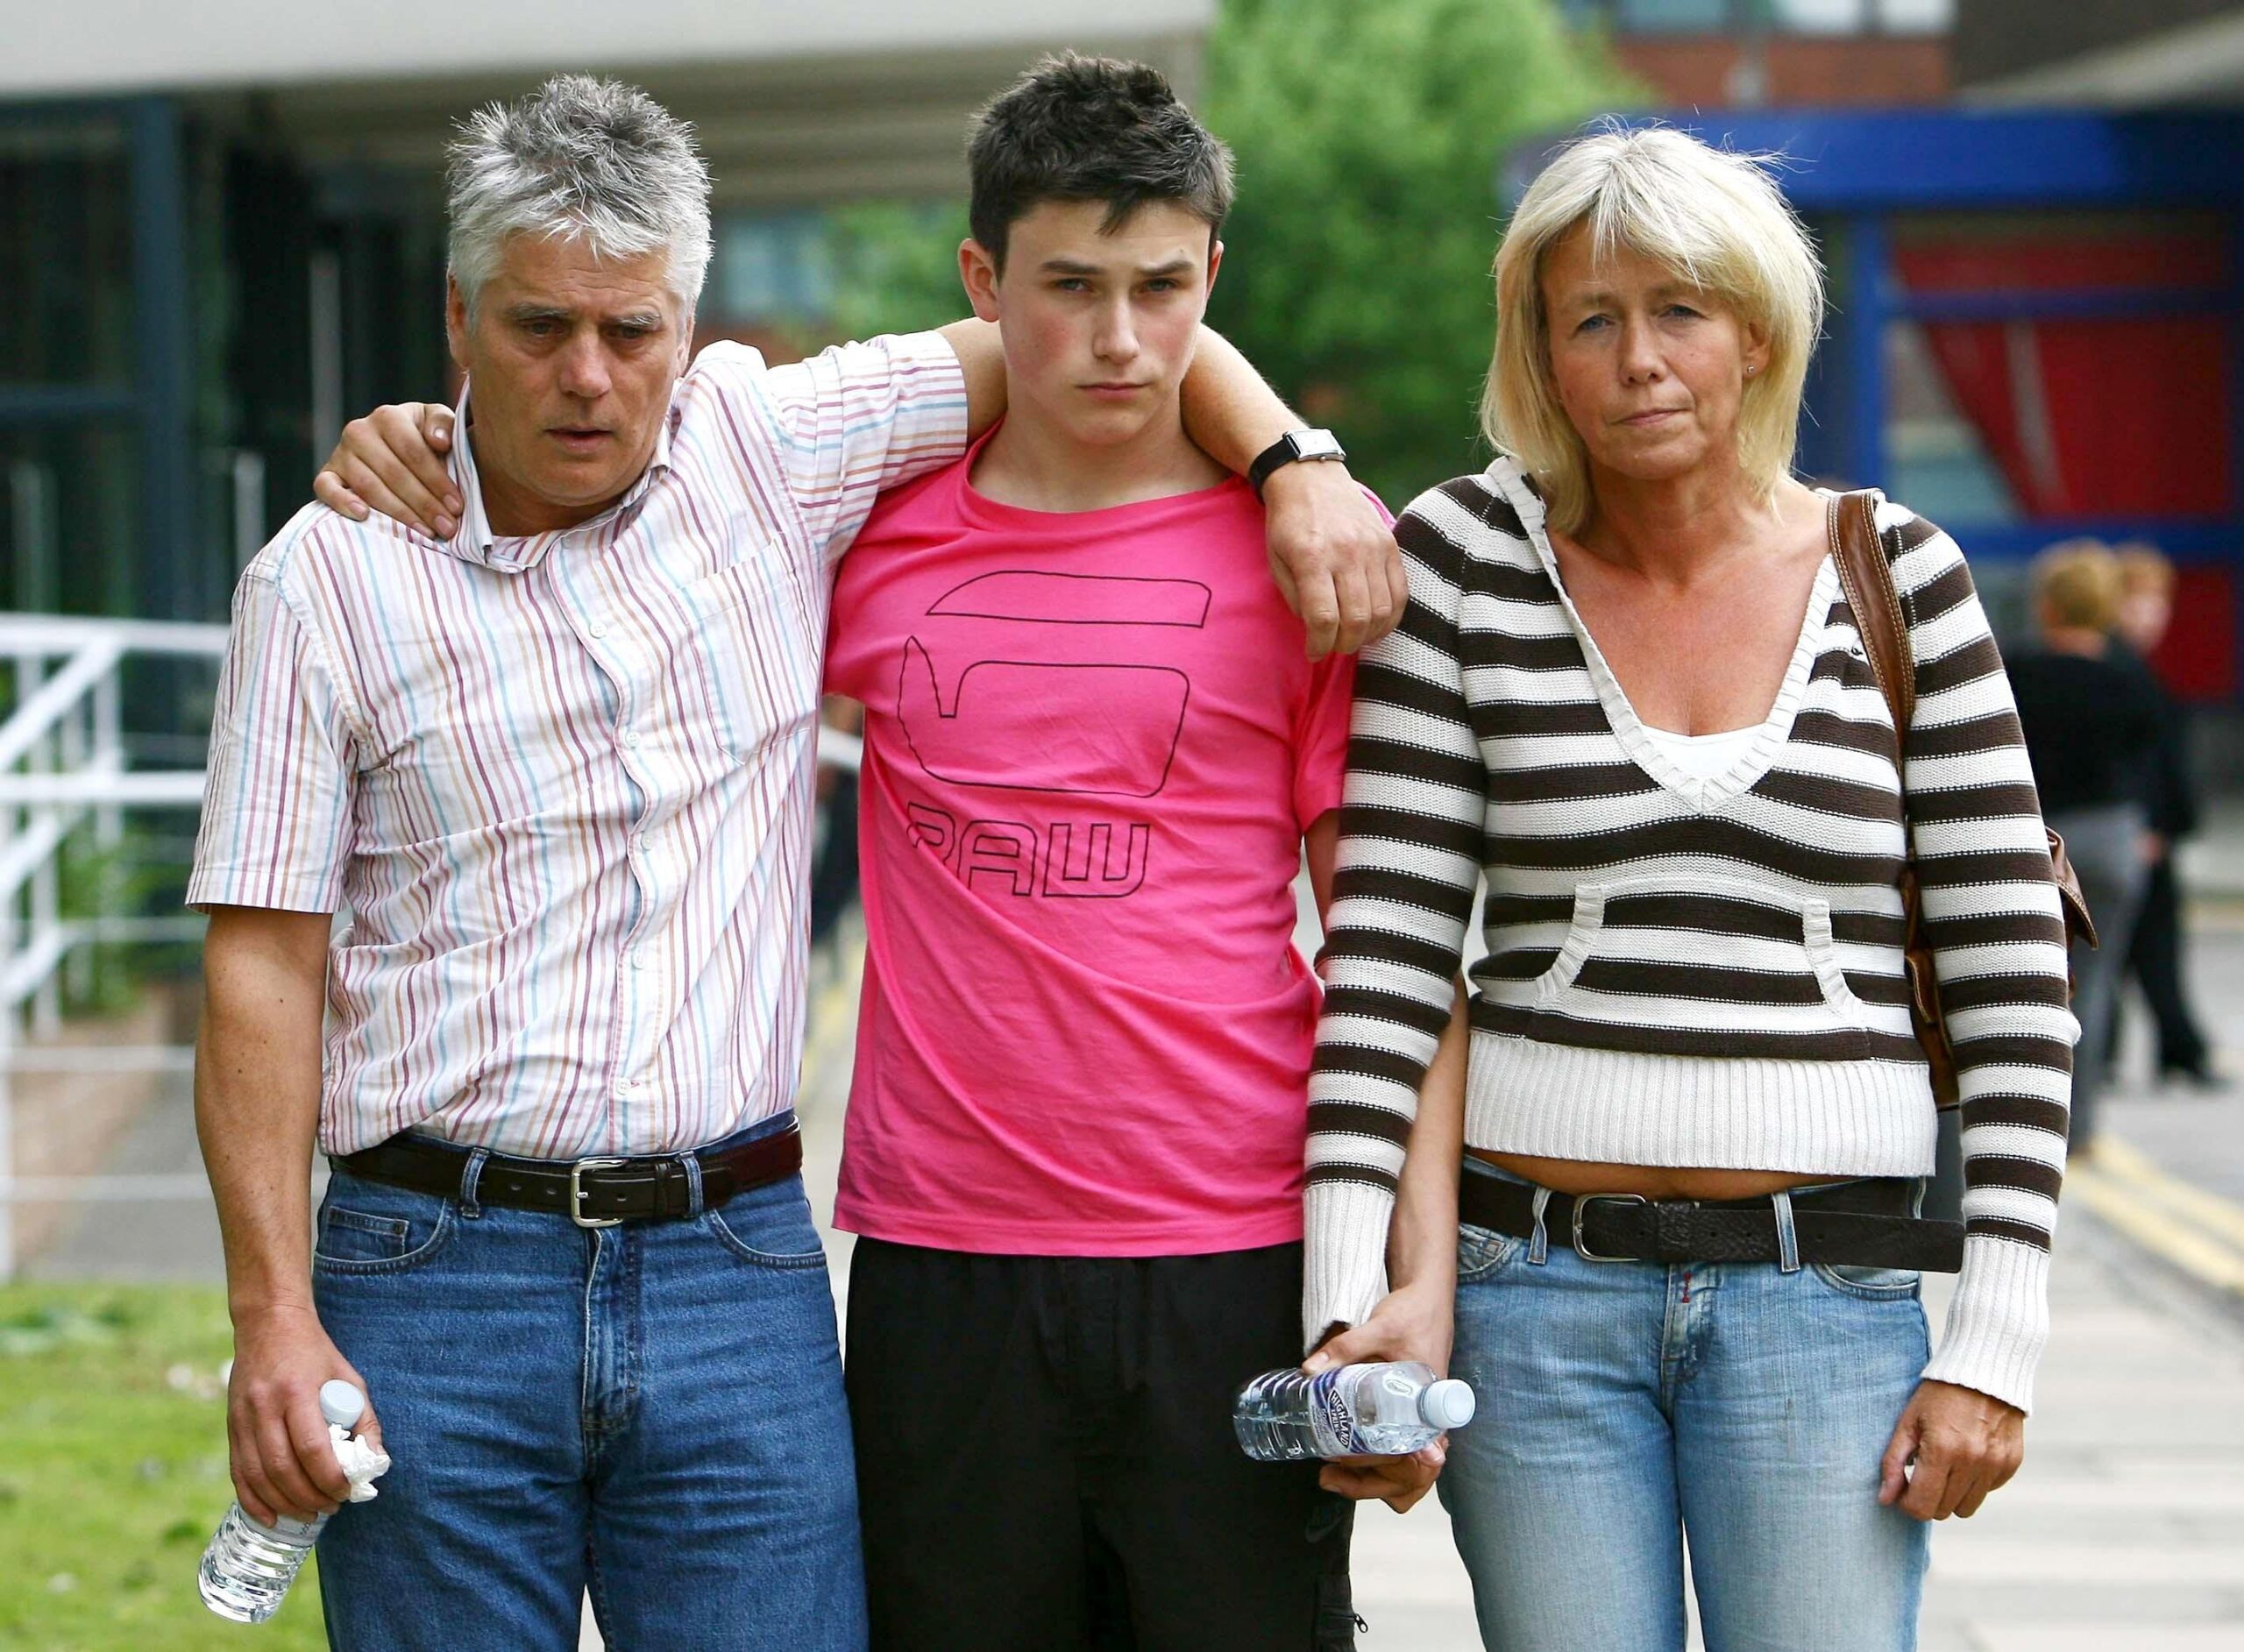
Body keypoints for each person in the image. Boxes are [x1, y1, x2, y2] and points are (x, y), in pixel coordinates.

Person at [202, 74, 1397, 1652]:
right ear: (454, 319)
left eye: (631, 333)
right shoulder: (326, 581)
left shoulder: (769, 452)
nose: (585, 378)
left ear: (690, 334)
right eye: (535, 326)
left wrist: (1292, 458)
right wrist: (270, 1321)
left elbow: (1108, 308)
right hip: (433, 1272)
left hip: (734, 1263)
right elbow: (260, 957)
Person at [1303, 126, 2076, 1651]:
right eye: (1590, 318)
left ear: (1758, 332)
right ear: (1539, 351)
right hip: (1532, 1301)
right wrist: (1351, 1304)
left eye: (1680, 311)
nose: (1638, 360)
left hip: (1828, 1304)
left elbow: (2014, 992)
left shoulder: (1900, 574)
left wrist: (1996, 1345)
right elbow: (1384, 963)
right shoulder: (1461, 561)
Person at [2008, 541, 2164, 1152]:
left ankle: (2027, 1123)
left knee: (2027, 985)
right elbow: (2154, 761)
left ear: (2048, 605)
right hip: (2113, 836)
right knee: (2095, 988)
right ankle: (2082, 1128)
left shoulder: (2018, 671)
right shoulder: (2129, 678)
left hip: (2039, 840)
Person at [2108, 542, 2219, 1088]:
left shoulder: (2134, 666)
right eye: (2139, 603)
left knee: (2139, 949)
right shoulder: (2120, 670)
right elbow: (2138, 763)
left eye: (2158, 604)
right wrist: (2149, 826)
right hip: (2139, 833)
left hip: (2146, 830)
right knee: (2145, 946)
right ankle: (2178, 1047)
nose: (2152, 616)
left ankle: (2169, 1047)